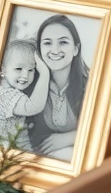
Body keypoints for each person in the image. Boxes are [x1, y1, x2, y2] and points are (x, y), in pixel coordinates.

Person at [27, 14, 90, 162]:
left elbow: (104, 128)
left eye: (63, 42)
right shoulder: (29, 84)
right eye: (47, 43)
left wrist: (70, 137)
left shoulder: (91, 84)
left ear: (75, 49)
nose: (54, 50)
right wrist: (42, 72)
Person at [0, 40, 49, 151]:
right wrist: (45, 73)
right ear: (2, 69)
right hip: (7, 154)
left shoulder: (1, 90)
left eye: (31, 70)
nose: (25, 75)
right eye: (18, 69)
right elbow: (34, 106)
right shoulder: (6, 95)